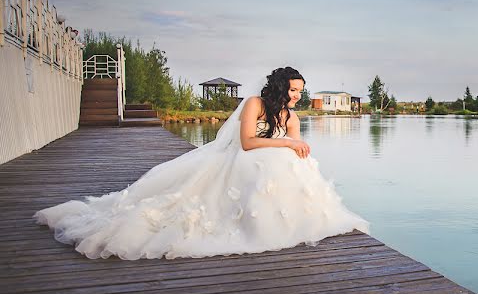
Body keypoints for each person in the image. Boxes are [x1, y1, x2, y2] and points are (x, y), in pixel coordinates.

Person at [35, 66, 369, 260]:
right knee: (275, 155)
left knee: (294, 160)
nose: (297, 96)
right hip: (242, 158)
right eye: (294, 90)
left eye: (300, 91)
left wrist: (295, 146)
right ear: (282, 87)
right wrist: (286, 142)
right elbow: (248, 143)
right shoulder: (255, 103)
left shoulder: (291, 115)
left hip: (267, 163)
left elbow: (294, 143)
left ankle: (292, 217)